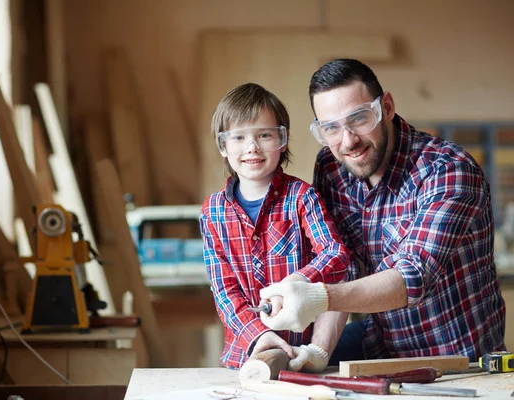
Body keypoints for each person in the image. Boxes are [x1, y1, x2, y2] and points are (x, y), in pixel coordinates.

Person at [260, 59, 506, 364]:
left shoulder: (448, 170)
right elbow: (343, 267)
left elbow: (411, 278)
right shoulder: (332, 167)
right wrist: (318, 351)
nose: (348, 141)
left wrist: (318, 297)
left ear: (386, 107)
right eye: (331, 128)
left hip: (456, 359)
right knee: (285, 367)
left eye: (360, 118)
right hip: (381, 344)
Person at [199, 83, 352, 370]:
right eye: (238, 137)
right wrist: (259, 335)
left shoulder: (302, 198)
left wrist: (299, 280)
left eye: (265, 135)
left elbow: (336, 255)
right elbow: (224, 290)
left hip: (301, 354)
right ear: (223, 146)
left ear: (283, 140)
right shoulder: (212, 213)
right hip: (247, 355)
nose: (252, 147)